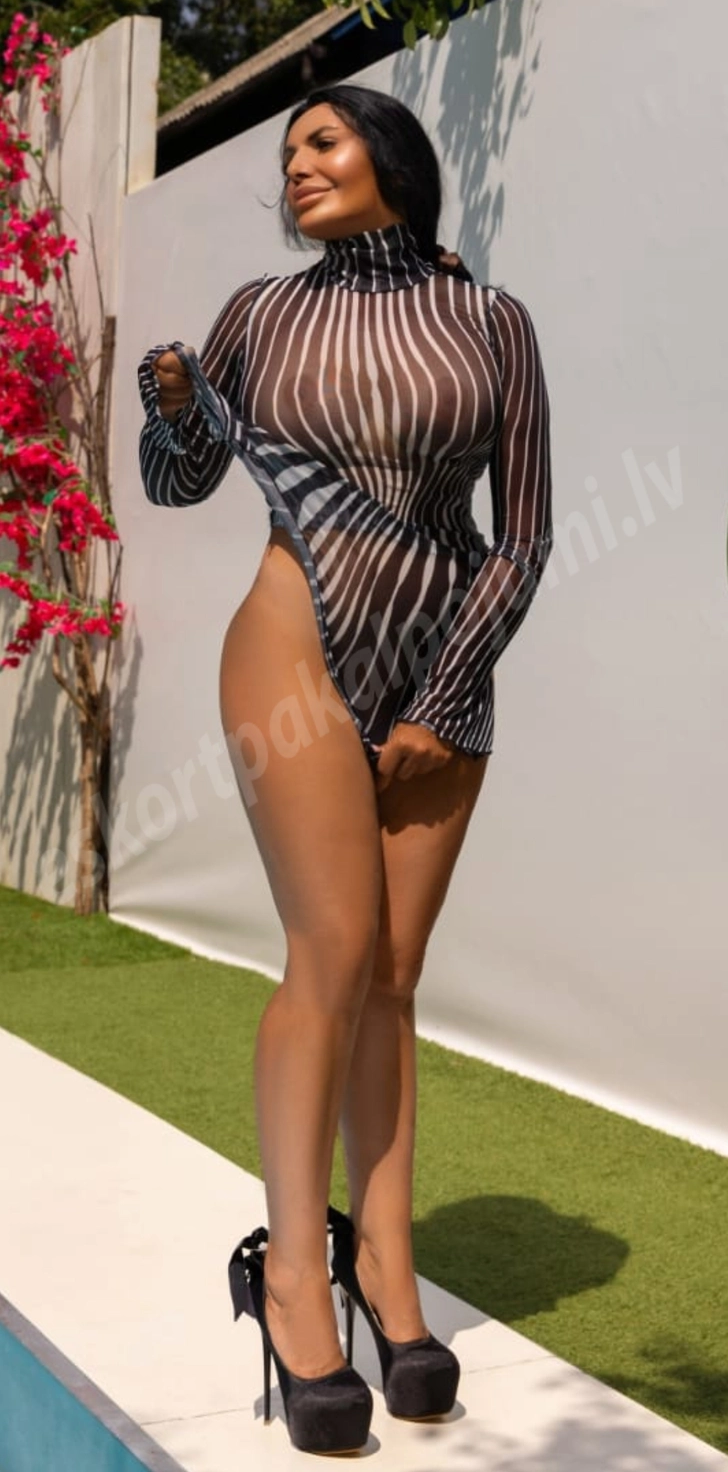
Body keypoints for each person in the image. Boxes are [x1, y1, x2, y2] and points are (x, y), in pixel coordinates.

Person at [138, 82, 553, 1455]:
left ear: (393, 158)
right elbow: (181, 481)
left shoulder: (492, 323)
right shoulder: (260, 315)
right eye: (288, 154)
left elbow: (524, 536)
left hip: (446, 670)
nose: (298, 165)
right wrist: (174, 405)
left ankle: (387, 1265)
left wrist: (444, 691)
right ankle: (293, 1280)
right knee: (331, 948)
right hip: (292, 645)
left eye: (322, 140)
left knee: (392, 975)